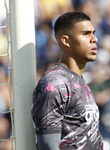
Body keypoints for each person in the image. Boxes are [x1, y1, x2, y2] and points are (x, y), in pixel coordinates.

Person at [31, 11, 103, 150]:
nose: (94, 39)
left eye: (93, 33)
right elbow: (47, 145)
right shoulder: (55, 83)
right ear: (66, 40)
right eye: (86, 33)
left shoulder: (78, 80)